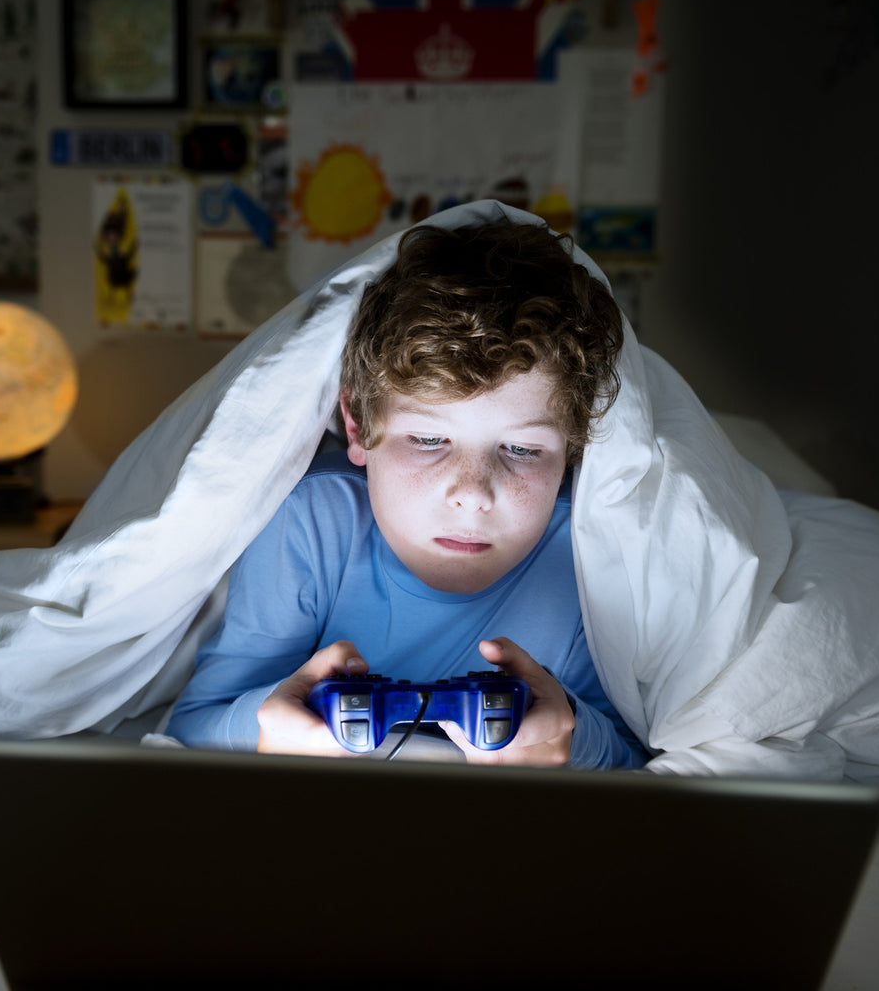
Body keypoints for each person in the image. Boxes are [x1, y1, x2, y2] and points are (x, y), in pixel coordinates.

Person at [165, 221, 648, 769]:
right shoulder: (312, 523)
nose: (472, 495)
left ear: (573, 451)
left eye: (521, 449)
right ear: (357, 427)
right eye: (427, 439)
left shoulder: (587, 555)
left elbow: (636, 758)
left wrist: (572, 737)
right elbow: (194, 723)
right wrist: (267, 729)